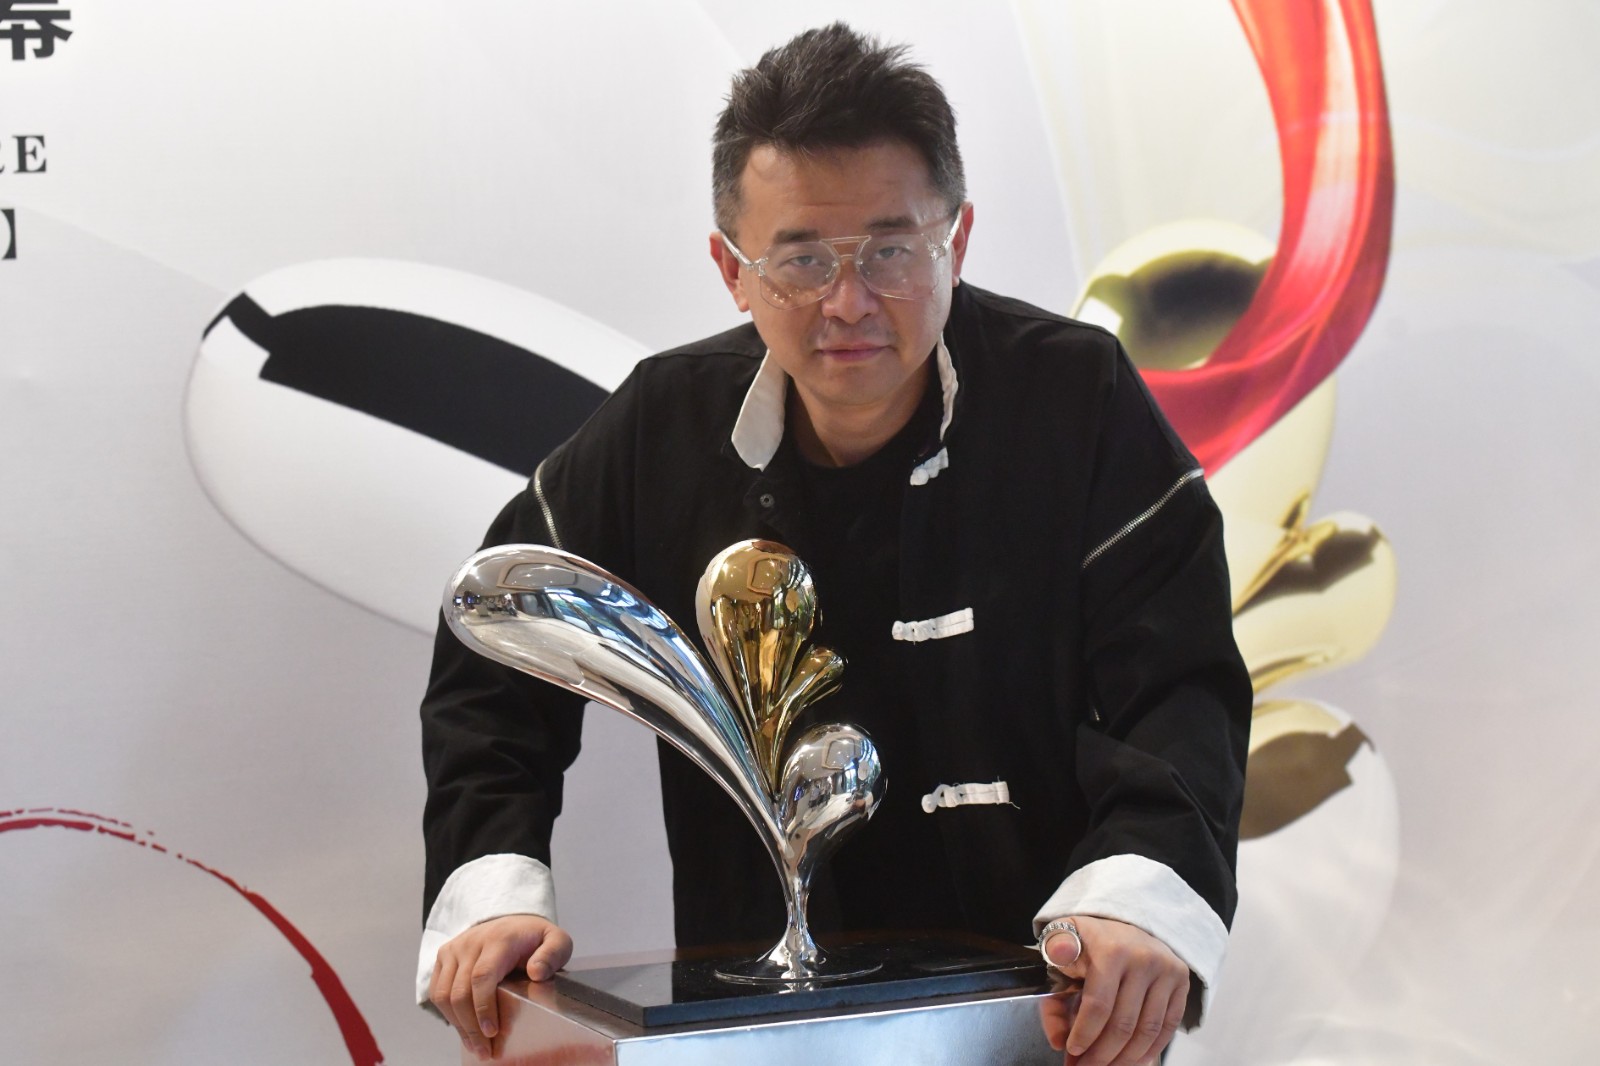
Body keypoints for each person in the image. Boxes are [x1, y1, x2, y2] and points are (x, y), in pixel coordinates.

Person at [418, 23, 1250, 1066]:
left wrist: (1139, 892)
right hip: (754, 1024)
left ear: (958, 240)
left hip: (1047, 1007)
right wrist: (493, 886)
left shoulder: (1077, 400)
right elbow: (497, 647)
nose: (847, 302)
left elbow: (1178, 682)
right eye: (801, 259)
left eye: (891, 250)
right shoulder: (659, 426)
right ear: (732, 270)